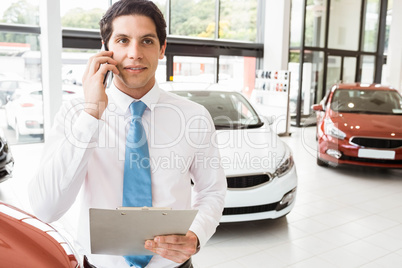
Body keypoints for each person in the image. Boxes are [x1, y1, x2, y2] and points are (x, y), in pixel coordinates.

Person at [28, 0, 227, 267]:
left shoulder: (194, 116)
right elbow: (46, 208)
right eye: (122, 40)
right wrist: (91, 115)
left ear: (162, 49)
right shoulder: (75, 114)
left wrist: (197, 235)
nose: (134, 53)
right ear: (105, 49)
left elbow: (212, 190)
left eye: (147, 41)